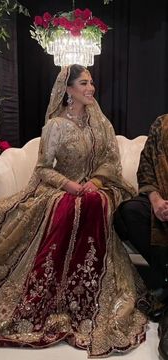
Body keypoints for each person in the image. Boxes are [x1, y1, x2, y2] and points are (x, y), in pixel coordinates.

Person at [0, 65, 147, 357]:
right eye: (84, 83)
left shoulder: (101, 123)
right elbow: (44, 169)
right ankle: (53, 297)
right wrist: (71, 185)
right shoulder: (56, 126)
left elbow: (111, 163)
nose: (91, 89)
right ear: (68, 90)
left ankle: (88, 295)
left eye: (92, 83)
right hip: (64, 189)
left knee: (95, 202)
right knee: (70, 206)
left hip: (101, 188)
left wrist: (94, 182)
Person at [114, 114, 168, 360]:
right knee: (129, 213)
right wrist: (156, 201)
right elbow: (146, 169)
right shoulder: (161, 124)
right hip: (163, 204)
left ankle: (164, 288)